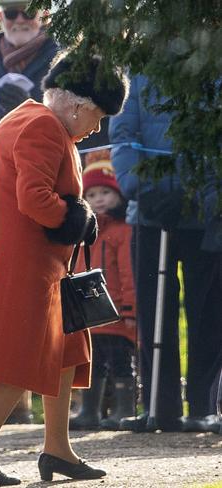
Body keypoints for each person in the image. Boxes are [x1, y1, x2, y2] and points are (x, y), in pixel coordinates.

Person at [0, 53, 128, 485]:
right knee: (23, 363)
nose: (96, 128)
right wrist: (79, 218)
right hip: (26, 265)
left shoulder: (28, 117)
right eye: (98, 117)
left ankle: (57, 448)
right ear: (77, 106)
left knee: (63, 352)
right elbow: (35, 199)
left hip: (34, 262)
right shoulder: (44, 126)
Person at [109, 74, 222, 433]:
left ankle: (203, 406)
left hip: (204, 213)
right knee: (153, 309)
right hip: (150, 211)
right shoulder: (140, 72)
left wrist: (202, 197)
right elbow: (123, 135)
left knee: (206, 311)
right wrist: (142, 189)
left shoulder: (211, 68)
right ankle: (159, 404)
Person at [69, 153, 137, 431]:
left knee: (121, 361)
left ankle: (124, 409)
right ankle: (90, 410)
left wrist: (131, 308)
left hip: (118, 313)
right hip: (91, 315)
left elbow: (129, 273)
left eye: (106, 192)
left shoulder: (124, 231)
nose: (99, 199)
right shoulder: (85, 232)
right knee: (93, 363)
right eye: (92, 193)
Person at [0, 0, 58, 133]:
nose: (20, 20)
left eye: (29, 12)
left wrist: (30, 111)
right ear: (0, 16)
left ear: (44, 15)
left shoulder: (62, 62)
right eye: (11, 13)